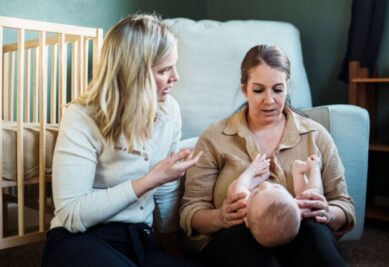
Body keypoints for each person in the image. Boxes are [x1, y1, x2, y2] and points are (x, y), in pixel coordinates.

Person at [41, 14, 203, 267]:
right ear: (134, 74)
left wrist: (175, 253)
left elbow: (167, 192)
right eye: (164, 70)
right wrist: (150, 179)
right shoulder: (82, 117)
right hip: (81, 239)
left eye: (174, 66)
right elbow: (72, 214)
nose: (175, 77)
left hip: (140, 240)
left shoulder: (169, 111)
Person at [180, 44, 355, 267]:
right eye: (259, 90)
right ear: (244, 88)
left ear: (287, 87)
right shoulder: (215, 137)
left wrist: (327, 212)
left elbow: (344, 206)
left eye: (278, 90)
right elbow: (191, 211)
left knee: (316, 237)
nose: (270, 100)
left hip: (303, 233)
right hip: (236, 236)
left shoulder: (315, 135)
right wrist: (221, 217)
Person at [227, 154, 323, 248]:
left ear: (247, 223)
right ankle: (299, 173)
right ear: (299, 213)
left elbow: (240, 185)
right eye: (276, 187)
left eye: (256, 193)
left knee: (233, 189)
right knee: (308, 197)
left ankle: (298, 173)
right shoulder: (294, 212)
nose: (265, 185)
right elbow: (314, 192)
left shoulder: (244, 209)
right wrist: (315, 168)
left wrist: (253, 169)